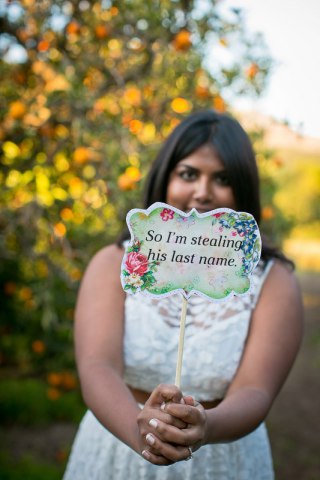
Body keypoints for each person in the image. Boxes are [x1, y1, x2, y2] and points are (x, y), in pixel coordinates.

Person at [63, 110, 303, 479]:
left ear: (243, 186)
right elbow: (97, 366)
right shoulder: (116, 262)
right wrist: (138, 429)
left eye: (222, 178)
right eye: (188, 174)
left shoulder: (272, 280)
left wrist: (207, 427)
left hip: (226, 460)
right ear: (165, 179)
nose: (203, 192)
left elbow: (256, 389)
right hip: (116, 450)